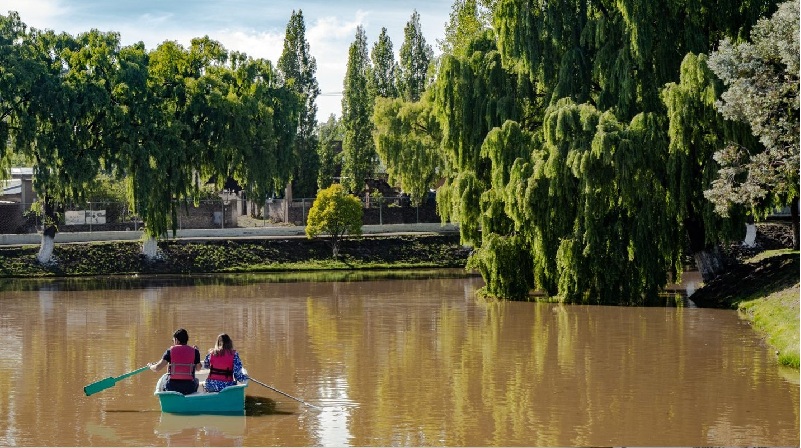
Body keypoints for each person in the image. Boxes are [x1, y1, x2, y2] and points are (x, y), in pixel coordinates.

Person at [149, 328, 202, 395]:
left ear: (177, 340)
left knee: (164, 378)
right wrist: (197, 353)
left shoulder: (170, 351)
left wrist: (151, 366)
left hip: (172, 387)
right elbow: (198, 368)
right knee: (196, 380)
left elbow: (157, 368)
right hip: (189, 388)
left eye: (173, 340)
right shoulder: (195, 352)